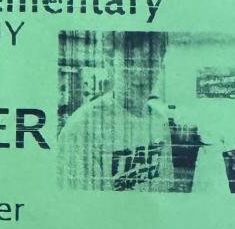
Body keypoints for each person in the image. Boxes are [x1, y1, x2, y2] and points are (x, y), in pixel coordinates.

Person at [57, 31, 176, 191]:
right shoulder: (80, 129)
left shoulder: (160, 121)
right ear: (110, 62)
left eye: (150, 61)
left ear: (160, 64)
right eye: (129, 61)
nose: (140, 73)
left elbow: (165, 187)